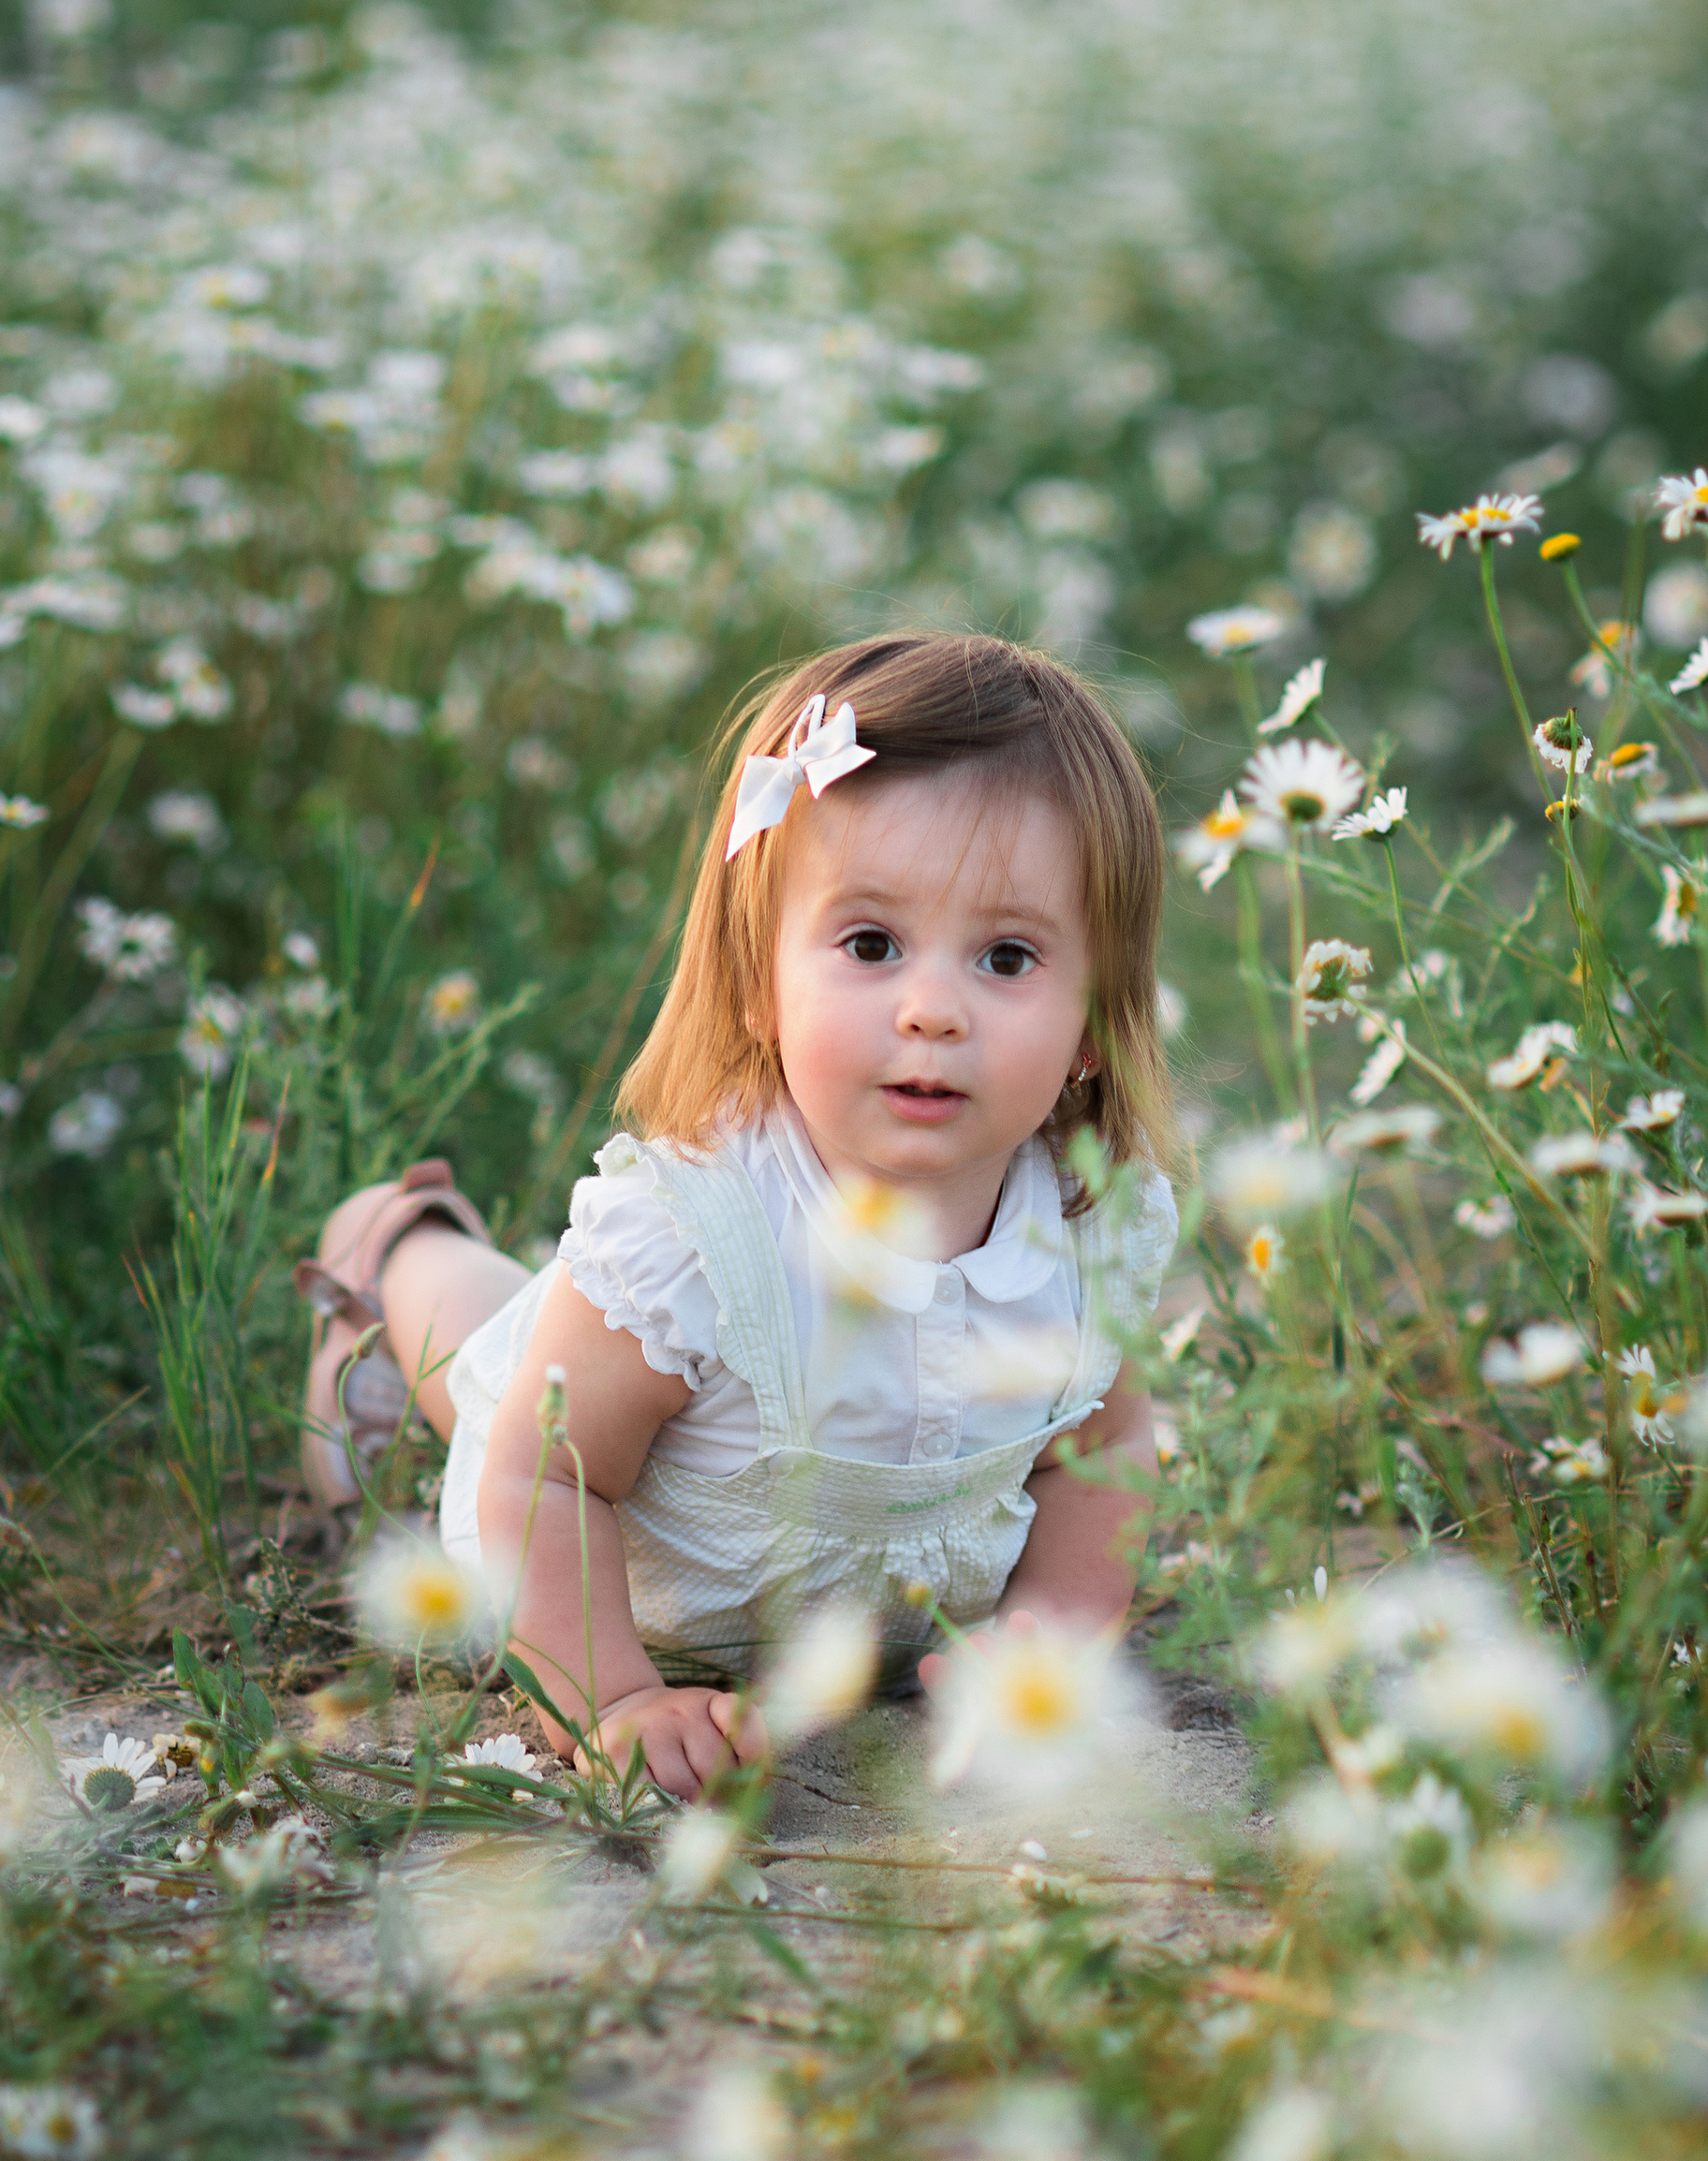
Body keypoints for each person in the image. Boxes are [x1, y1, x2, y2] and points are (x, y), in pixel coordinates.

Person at [296, 629, 1179, 1797]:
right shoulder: (688, 1241)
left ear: (1093, 1019)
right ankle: (398, 1245)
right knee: (482, 1348)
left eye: (1006, 957)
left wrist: (1051, 1633)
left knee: (529, 1332)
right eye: (870, 944)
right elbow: (544, 1477)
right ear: (759, 981)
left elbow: (1101, 1448)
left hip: (818, 1599)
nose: (931, 1009)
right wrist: (613, 1696)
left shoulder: (1083, 1231)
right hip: (608, 1555)